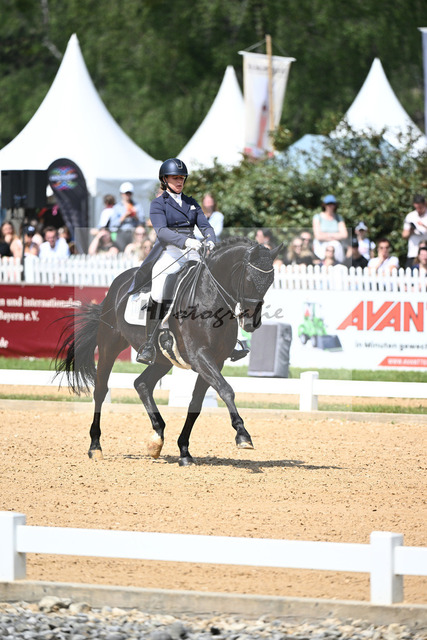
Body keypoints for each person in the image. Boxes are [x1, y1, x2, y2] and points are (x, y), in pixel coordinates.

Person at [134, 158, 217, 365]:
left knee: (215, 282)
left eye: (181, 178)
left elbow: (205, 226)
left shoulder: (191, 203)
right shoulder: (158, 204)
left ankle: (230, 337)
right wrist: (186, 241)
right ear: (165, 179)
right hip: (170, 252)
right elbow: (162, 232)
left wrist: (210, 239)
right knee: (158, 290)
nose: (179, 181)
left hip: (194, 251)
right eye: (174, 178)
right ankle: (149, 343)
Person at [312, 194, 348, 263]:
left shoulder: (338, 218)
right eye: (328, 204)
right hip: (320, 246)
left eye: (332, 204)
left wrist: (326, 235)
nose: (330, 206)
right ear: (324, 205)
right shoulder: (317, 217)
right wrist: (335, 235)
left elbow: (344, 235)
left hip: (336, 247)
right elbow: (318, 236)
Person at [114, 181, 145, 251]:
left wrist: (135, 215)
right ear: (121, 194)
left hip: (134, 233)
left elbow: (142, 222)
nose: (127, 195)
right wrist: (124, 216)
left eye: (129, 193)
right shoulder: (117, 207)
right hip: (121, 233)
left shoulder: (137, 206)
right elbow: (113, 225)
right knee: (121, 251)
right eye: (126, 193)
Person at [401, 194, 427, 268]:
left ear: (424, 204)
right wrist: (411, 231)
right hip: (413, 253)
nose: (418, 210)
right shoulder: (410, 216)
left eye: (420, 208)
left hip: (425, 255)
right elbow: (404, 235)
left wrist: (423, 226)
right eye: (416, 208)